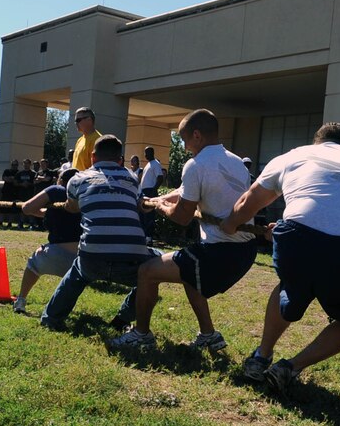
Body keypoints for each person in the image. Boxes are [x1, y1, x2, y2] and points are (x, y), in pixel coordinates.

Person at [222, 122, 340, 393]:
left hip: (297, 238)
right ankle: (291, 367)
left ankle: (260, 357)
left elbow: (247, 204)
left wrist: (229, 225)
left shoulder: (294, 155)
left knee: (291, 284)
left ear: (318, 142)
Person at [108, 109, 256, 353]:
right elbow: (185, 190)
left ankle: (140, 335)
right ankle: (209, 335)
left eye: (184, 139)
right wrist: (155, 199)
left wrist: (159, 207)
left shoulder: (196, 164)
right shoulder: (235, 162)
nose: (185, 146)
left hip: (221, 252)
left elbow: (182, 217)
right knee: (189, 275)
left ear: (196, 135)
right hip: (244, 251)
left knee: (147, 272)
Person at [40, 135, 158, 331]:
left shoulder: (77, 180)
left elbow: (72, 207)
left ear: (93, 157)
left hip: (92, 260)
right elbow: (138, 203)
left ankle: (51, 318)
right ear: (120, 159)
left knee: (76, 273)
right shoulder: (131, 177)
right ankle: (122, 320)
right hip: (131, 262)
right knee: (153, 272)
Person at [13, 168, 83, 314]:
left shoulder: (57, 190)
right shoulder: (85, 194)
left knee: (33, 264)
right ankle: (63, 308)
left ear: (61, 180)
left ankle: (21, 300)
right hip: (82, 259)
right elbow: (62, 212)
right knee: (74, 282)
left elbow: (26, 208)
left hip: (55, 254)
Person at [138, 145, 164, 243]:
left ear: (152, 153)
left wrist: (154, 190)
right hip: (144, 191)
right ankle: (143, 235)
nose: (145, 155)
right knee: (142, 214)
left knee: (149, 215)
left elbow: (160, 178)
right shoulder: (148, 164)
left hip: (150, 191)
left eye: (147, 152)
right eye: (145, 153)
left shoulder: (155, 163)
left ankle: (148, 237)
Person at [71, 107, 101, 171]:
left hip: (87, 180)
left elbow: (97, 168)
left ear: (89, 120)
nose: (76, 123)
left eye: (78, 120)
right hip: (77, 179)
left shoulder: (98, 140)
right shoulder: (80, 140)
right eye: (75, 121)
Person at [15, 158, 37, 229]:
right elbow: (15, 183)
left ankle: (31, 223)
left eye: (27, 163)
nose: (26, 165)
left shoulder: (33, 173)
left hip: (30, 194)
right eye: (24, 163)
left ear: (30, 164)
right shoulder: (19, 173)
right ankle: (20, 223)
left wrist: (29, 184)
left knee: (31, 207)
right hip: (21, 194)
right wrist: (21, 184)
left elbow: (35, 182)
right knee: (21, 208)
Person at [0, 159, 20, 227]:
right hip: (5, 192)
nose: (14, 166)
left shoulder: (19, 173)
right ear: (11, 165)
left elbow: (16, 182)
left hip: (14, 193)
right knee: (2, 207)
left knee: (12, 209)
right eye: (13, 165)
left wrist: (11, 179)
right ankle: (1, 222)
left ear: (18, 165)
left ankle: (10, 223)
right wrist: (13, 179)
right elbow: (4, 178)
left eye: (16, 165)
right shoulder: (7, 171)